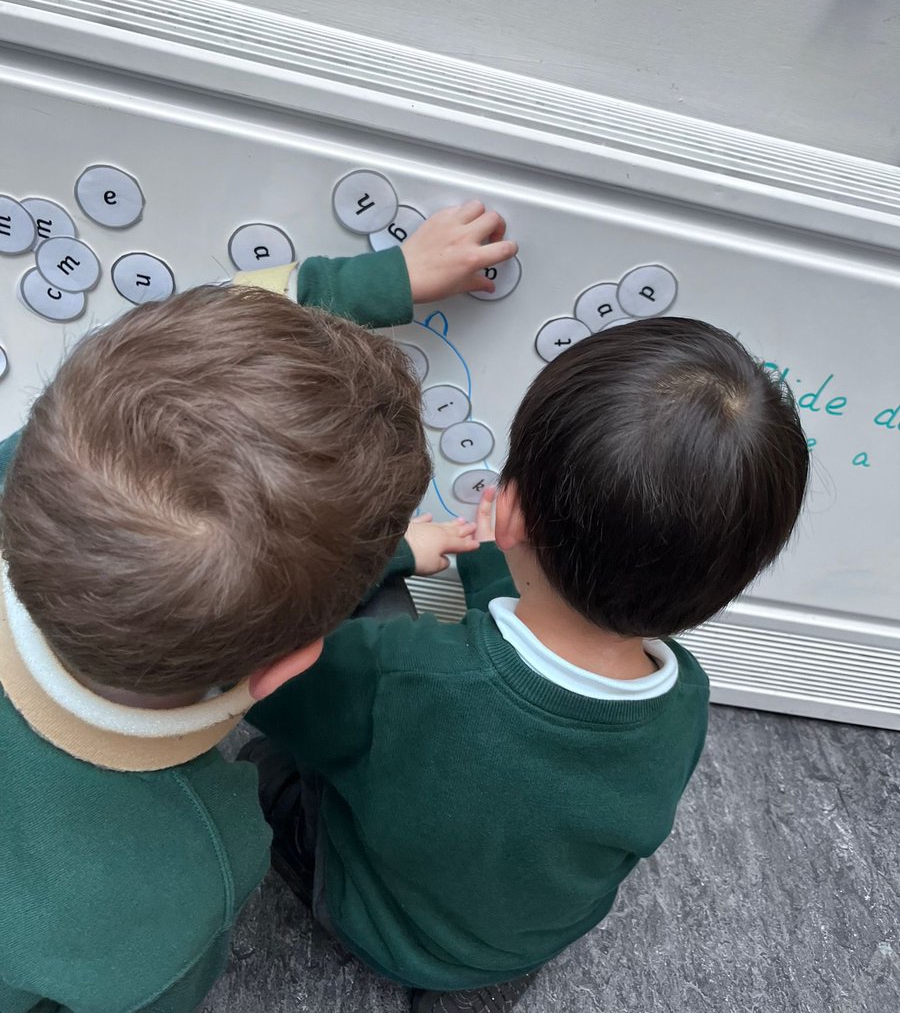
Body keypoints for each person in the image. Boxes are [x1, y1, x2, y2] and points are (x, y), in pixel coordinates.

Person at [0, 201, 515, 1013]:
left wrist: (382, 278)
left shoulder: (35, 459)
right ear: (289, 666)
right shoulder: (189, 861)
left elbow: (189, 362)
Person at [242, 316, 811, 1013]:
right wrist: (489, 558)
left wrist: (389, 554)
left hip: (376, 923)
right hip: (526, 944)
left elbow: (270, 685)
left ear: (511, 512)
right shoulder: (686, 699)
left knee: (267, 760)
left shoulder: (403, 671)